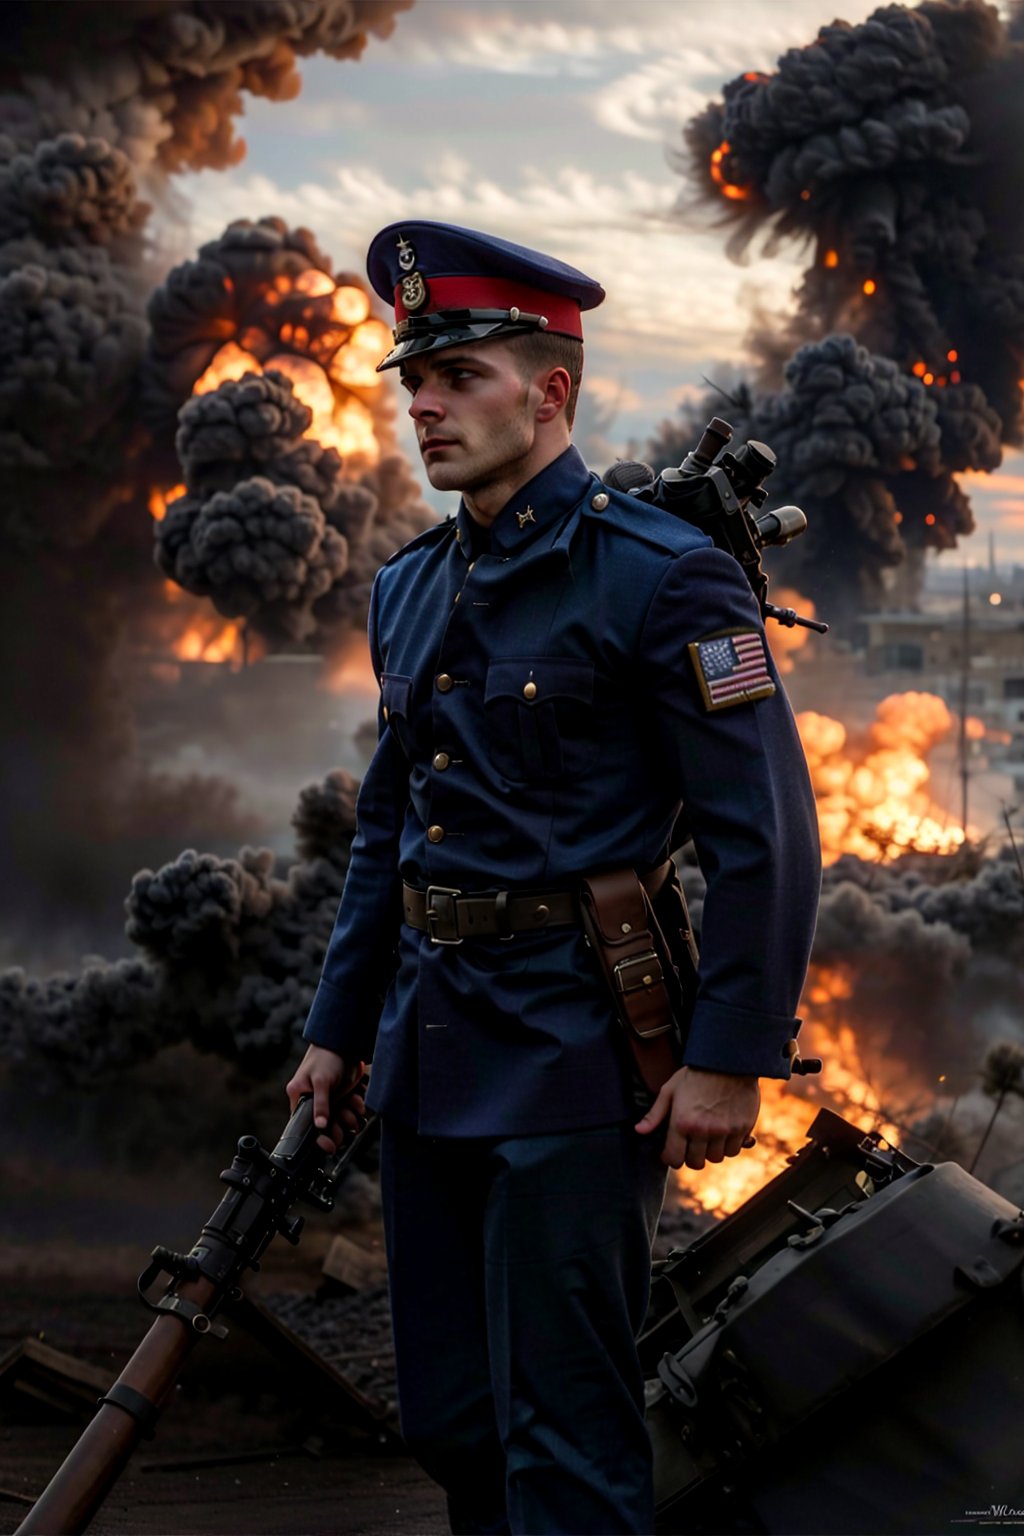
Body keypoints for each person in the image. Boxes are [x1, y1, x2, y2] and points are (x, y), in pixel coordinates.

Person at [286, 220, 821, 1535]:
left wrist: (730, 1052)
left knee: (565, 1439)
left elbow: (766, 829)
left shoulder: (666, 579)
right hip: (429, 1049)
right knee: (454, 1424)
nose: (424, 404)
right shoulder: (411, 590)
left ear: (552, 392)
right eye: (413, 378)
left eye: (459, 376)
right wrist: (336, 1029)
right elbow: (390, 824)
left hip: (580, 1056)